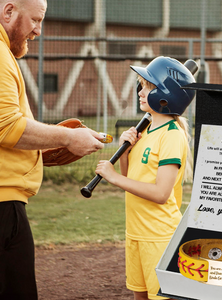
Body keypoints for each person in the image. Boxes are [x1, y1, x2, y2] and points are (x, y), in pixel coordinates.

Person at [0, 0, 104, 299]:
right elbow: (6, 126)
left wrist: (40, 148)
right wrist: (67, 138)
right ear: (9, 11)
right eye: (35, 20)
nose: (38, 30)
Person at [95, 56, 196, 300]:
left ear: (165, 95)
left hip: (159, 236)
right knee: (139, 296)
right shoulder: (146, 130)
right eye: (141, 85)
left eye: (148, 86)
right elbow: (132, 179)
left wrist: (112, 179)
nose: (141, 92)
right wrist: (125, 152)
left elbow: (161, 194)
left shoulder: (171, 135)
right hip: (136, 233)